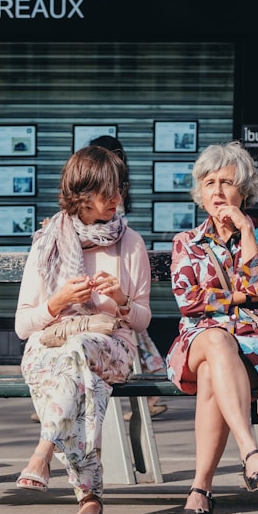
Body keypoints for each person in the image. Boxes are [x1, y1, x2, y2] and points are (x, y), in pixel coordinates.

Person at [13, 145, 153, 514]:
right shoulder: (47, 241)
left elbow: (141, 322)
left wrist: (120, 301)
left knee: (78, 356)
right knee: (83, 381)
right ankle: (90, 499)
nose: (116, 200)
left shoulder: (130, 244)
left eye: (119, 190)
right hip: (51, 346)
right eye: (106, 192)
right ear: (81, 194)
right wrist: (57, 303)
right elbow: (24, 326)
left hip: (112, 347)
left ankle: (43, 451)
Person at [167, 142, 258, 514]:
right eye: (209, 182)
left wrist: (247, 231)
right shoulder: (186, 242)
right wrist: (244, 296)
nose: (217, 191)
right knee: (216, 339)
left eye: (227, 182)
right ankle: (251, 453)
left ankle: (200, 490)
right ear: (200, 193)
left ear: (245, 191)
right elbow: (190, 302)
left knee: (213, 371)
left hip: (251, 347)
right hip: (195, 339)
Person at [88, 134, 169, 416]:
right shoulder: (120, 187)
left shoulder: (111, 192)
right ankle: (150, 393)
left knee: (132, 330)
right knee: (137, 333)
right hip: (118, 273)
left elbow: (110, 226)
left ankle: (148, 395)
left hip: (115, 272)